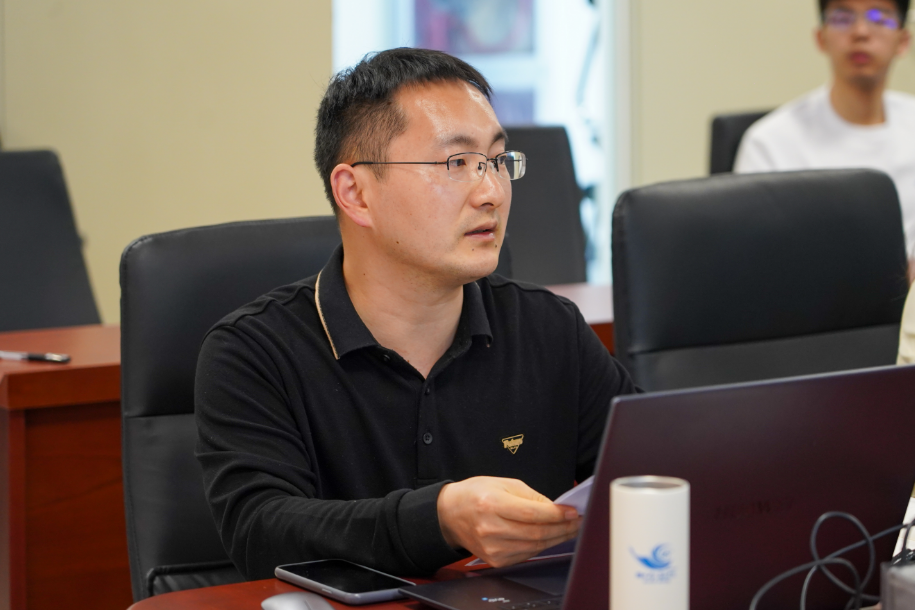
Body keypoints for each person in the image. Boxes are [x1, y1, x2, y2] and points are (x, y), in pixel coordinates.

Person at [194, 48, 637, 580]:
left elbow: (653, 470)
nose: (492, 192)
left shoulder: (548, 328)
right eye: (456, 163)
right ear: (355, 193)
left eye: (497, 160)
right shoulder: (254, 351)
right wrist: (439, 518)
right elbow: (260, 532)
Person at [735, 0, 915, 263]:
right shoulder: (769, 143)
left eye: (879, 17)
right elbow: (752, 260)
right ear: (821, 38)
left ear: (903, 40)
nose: (861, 32)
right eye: (842, 18)